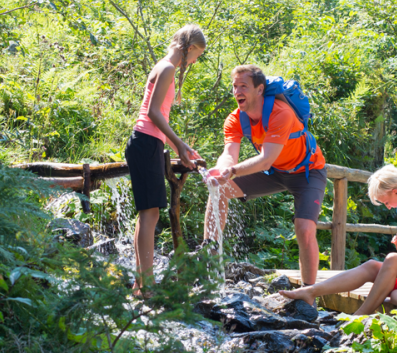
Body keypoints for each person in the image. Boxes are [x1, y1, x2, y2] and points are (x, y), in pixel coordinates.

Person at [203, 64, 327, 287]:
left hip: (307, 172)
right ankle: (209, 257)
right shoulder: (234, 119)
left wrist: (232, 172)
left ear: (259, 90)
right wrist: (220, 171)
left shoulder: (281, 113)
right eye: (234, 86)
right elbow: (229, 154)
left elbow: (265, 159)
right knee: (218, 188)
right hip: (274, 172)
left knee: (305, 229)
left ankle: (308, 295)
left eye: (243, 86)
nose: (237, 91)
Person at [280, 164, 397, 314]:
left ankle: (358, 317)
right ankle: (311, 291)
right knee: (372, 266)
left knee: (393, 259)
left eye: (386, 201)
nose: (388, 206)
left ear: (396, 191)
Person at [125, 24, 206, 297]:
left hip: (146, 142)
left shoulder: (163, 66)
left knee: (147, 213)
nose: (195, 62)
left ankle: (141, 284)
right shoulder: (168, 68)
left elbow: (158, 119)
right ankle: (146, 286)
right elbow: (152, 114)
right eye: (197, 57)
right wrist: (180, 144)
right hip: (145, 142)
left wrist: (182, 149)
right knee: (150, 214)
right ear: (190, 48)